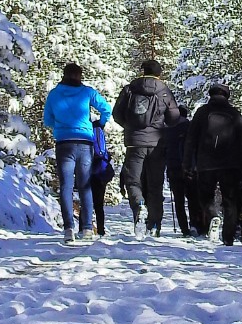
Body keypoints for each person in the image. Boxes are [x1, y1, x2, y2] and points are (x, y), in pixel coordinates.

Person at [43, 63, 112, 244]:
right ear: (80, 76)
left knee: (66, 186)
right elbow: (106, 109)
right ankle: (87, 228)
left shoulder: (54, 94)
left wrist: (62, 126)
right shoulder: (87, 92)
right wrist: (99, 124)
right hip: (84, 143)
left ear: (63, 75)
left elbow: (47, 120)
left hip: (64, 143)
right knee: (85, 186)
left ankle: (68, 229)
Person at [113, 59, 182, 236]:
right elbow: (174, 117)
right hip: (157, 143)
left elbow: (117, 114)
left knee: (133, 180)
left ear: (143, 71)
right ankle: (154, 225)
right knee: (155, 184)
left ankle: (139, 207)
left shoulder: (130, 89)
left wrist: (131, 127)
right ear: (159, 73)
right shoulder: (164, 91)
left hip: (134, 143)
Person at [185, 82, 242, 246]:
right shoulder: (234, 113)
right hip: (231, 164)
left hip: (206, 163)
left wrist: (187, 162)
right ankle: (228, 238)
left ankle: (213, 215)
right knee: (230, 200)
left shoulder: (202, 112)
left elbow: (190, 139)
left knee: (206, 197)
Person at [163, 105, 196, 235]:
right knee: (193, 198)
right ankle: (195, 224)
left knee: (179, 200)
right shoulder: (190, 128)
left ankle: (184, 228)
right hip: (189, 168)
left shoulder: (168, 130)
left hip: (173, 168)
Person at [86, 120, 116, 237]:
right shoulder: (99, 131)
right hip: (100, 172)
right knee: (99, 204)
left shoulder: (86, 131)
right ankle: (101, 230)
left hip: (88, 169)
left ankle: (84, 228)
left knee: (86, 200)